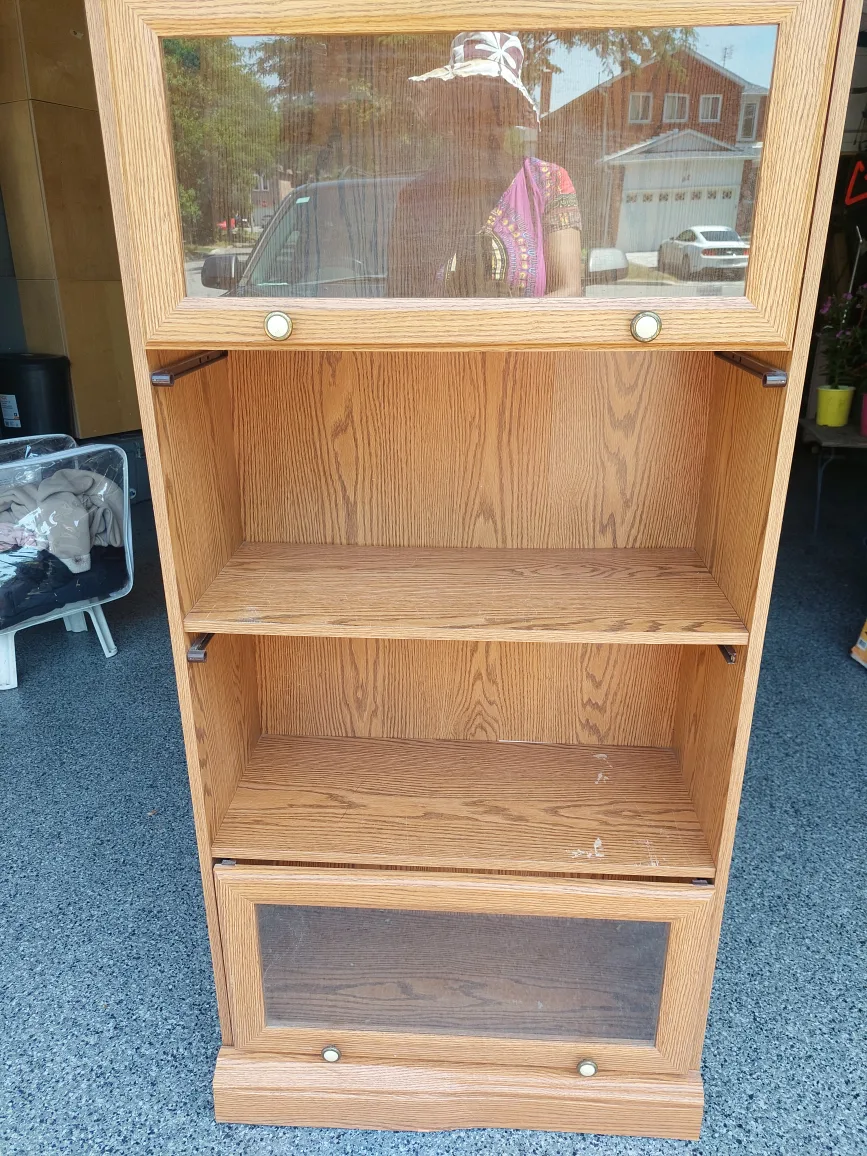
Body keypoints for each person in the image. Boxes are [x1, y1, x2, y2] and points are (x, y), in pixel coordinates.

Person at [387, 31, 582, 298]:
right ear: (450, 113)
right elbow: (399, 300)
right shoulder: (415, 199)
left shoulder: (549, 183)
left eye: (495, 106)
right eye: (469, 112)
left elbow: (568, 291)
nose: (482, 123)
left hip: (527, 340)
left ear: (512, 111)